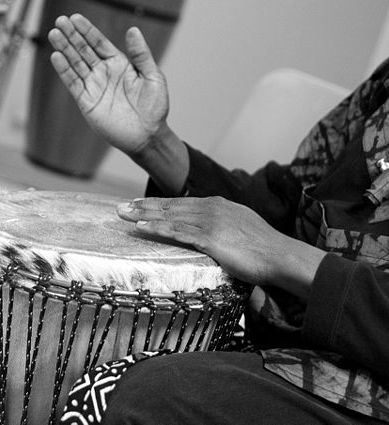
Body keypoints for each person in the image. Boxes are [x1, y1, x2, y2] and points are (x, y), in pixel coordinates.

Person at [47, 13, 389, 424]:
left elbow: (274, 245)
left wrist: (281, 254)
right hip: (304, 346)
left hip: (370, 392)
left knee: (130, 396)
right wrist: (156, 146)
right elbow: (292, 202)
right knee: (90, 335)